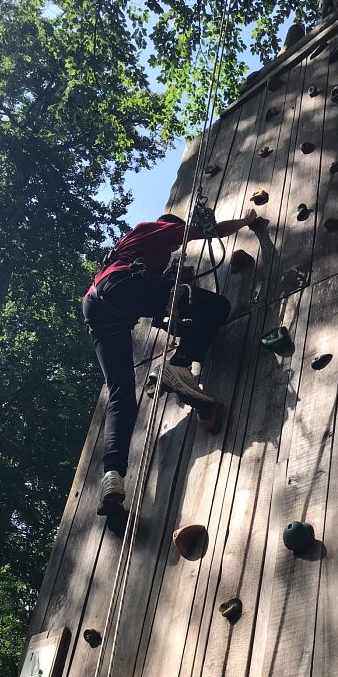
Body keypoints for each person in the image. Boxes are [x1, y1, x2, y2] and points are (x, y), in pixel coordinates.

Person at [83, 208, 256, 515]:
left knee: (121, 392)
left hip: (98, 306)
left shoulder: (130, 247)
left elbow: (159, 301)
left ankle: (113, 475)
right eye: (174, 245)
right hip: (122, 287)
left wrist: (172, 280)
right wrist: (245, 221)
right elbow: (210, 231)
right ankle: (180, 363)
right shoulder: (156, 228)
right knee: (217, 306)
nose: (174, 249)